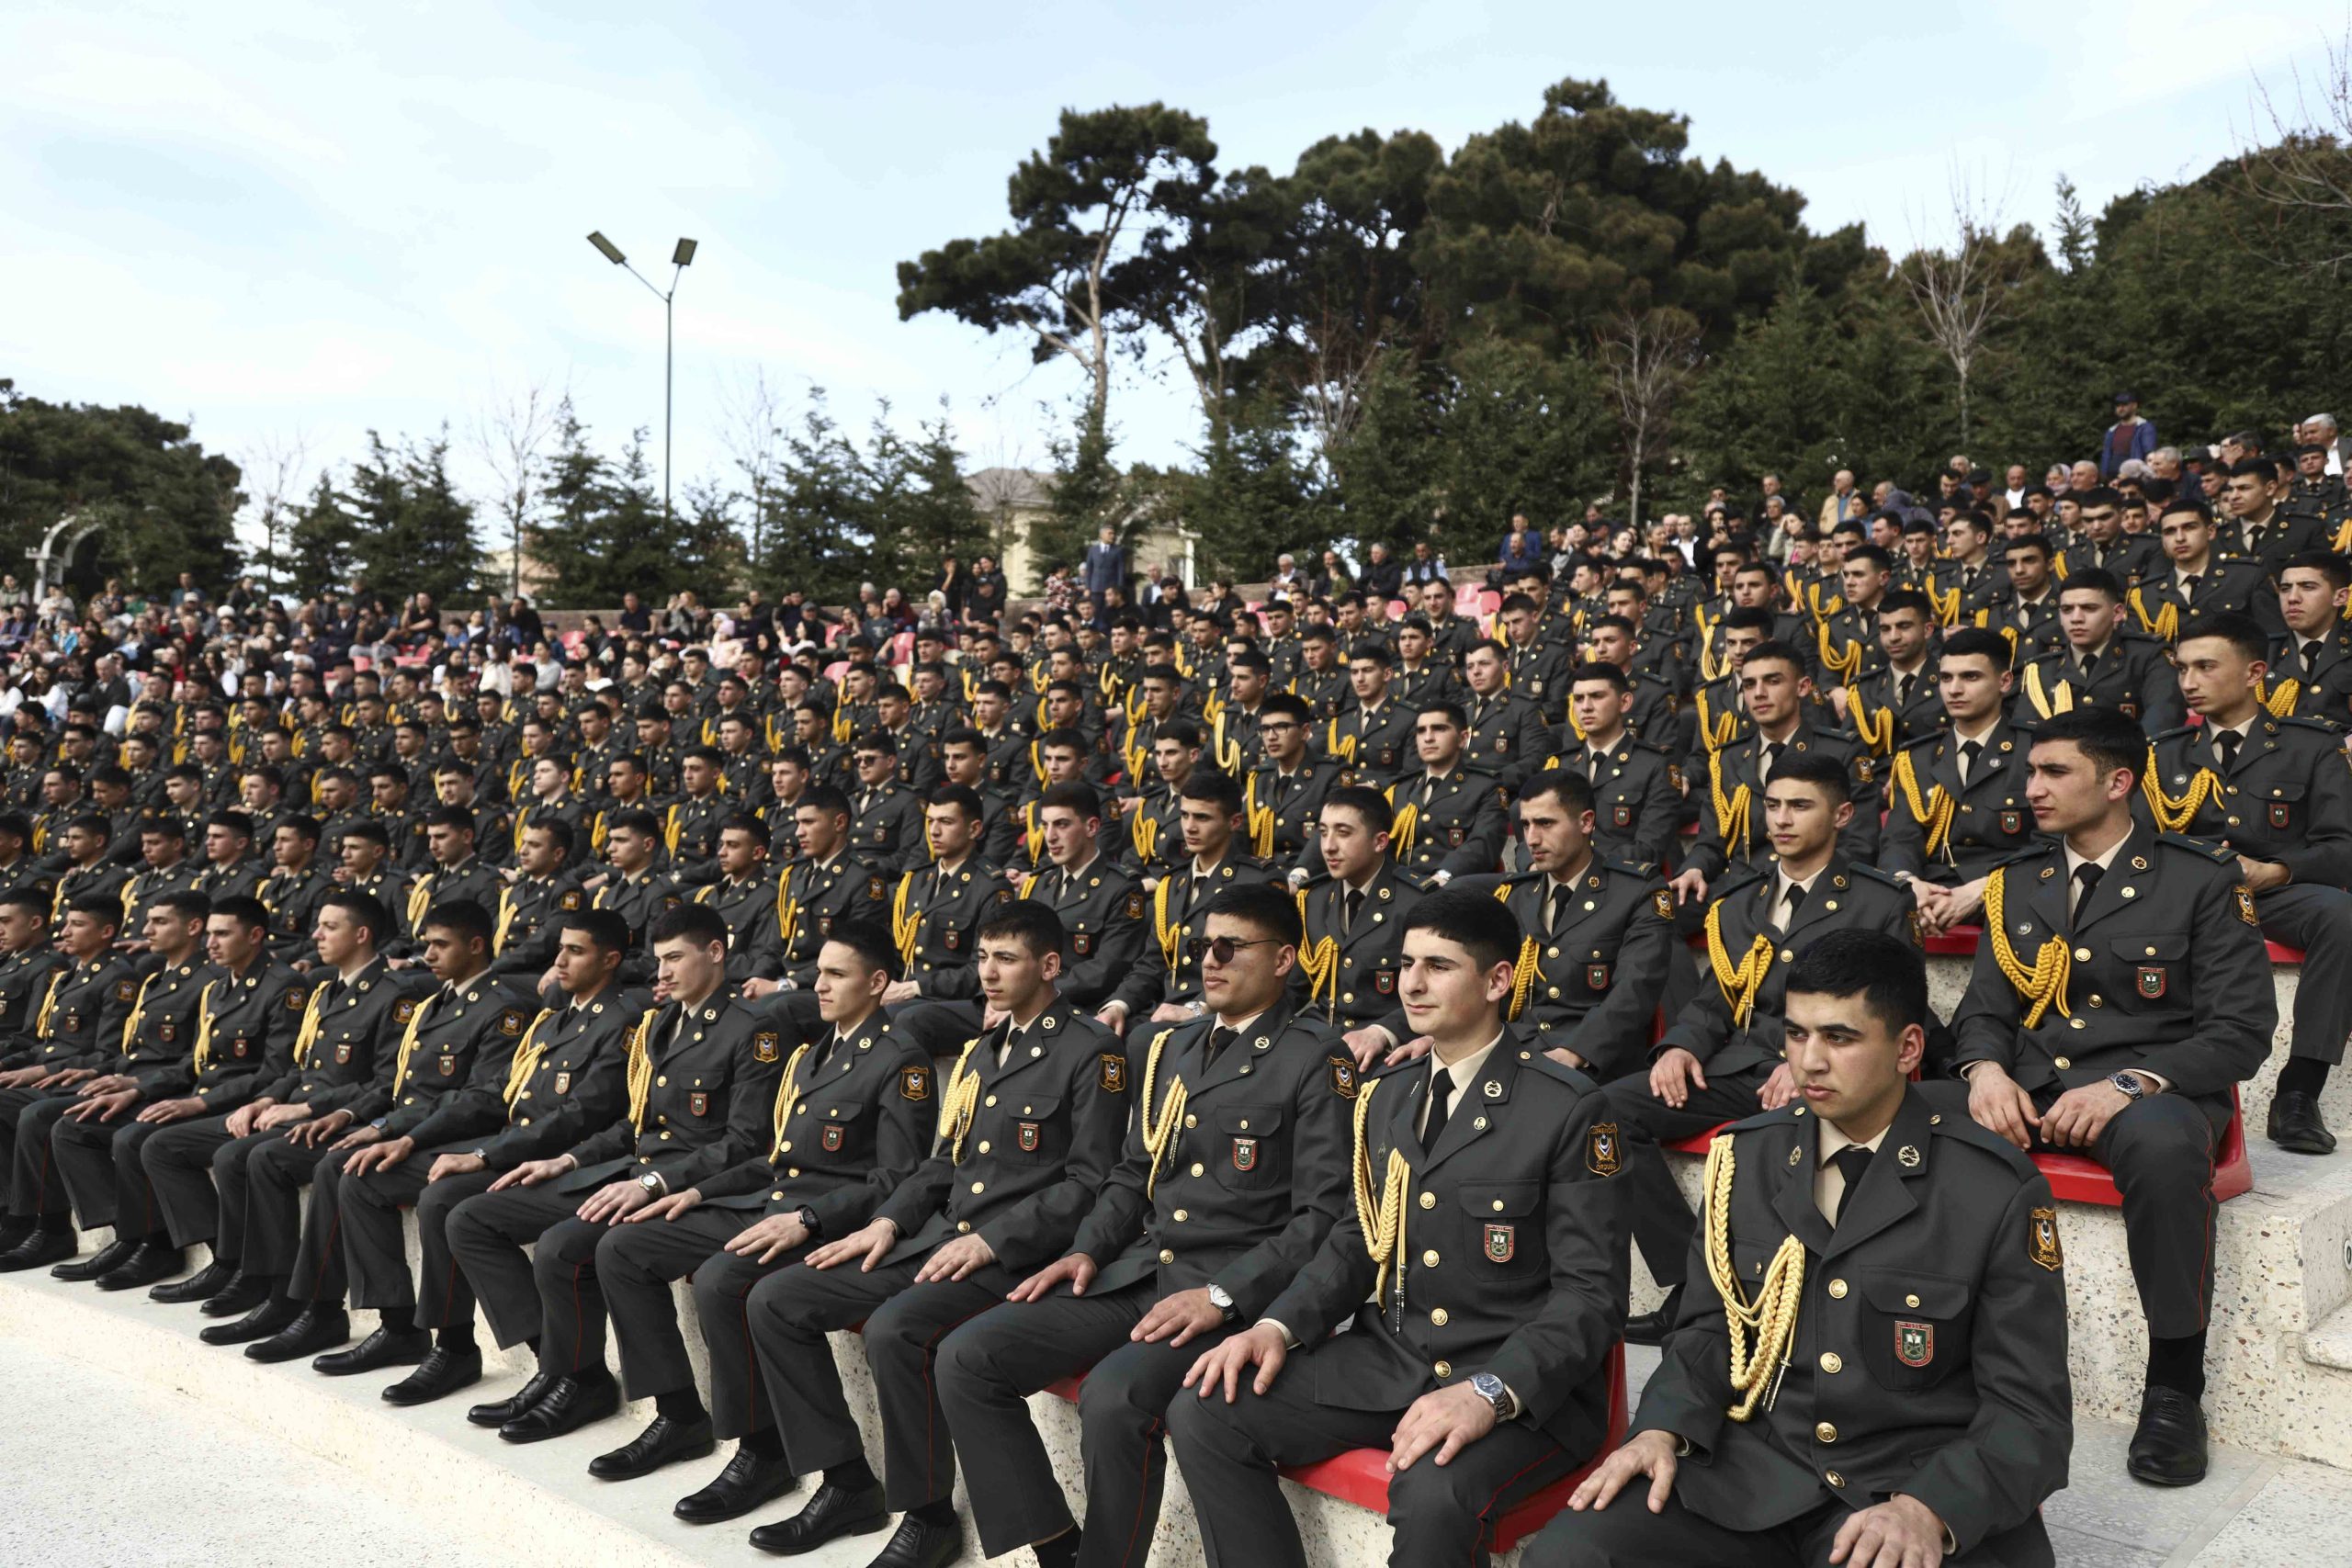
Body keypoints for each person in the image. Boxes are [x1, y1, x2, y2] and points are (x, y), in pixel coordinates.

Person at [1526, 931, 2073, 1568]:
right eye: (1795, 1034)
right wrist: (1660, 1428)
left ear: (1908, 1047)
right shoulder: (1747, 1157)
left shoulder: (1992, 1188)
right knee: (1572, 1553)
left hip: (1901, 1485)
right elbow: (1706, 1331)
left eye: (1839, 1037)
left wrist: (1926, 1508)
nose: (1809, 1061)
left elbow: (2029, 1412)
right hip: (1751, 1476)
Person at [1168, 887, 1628, 1568]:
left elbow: (1591, 1295)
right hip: (1392, 1361)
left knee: (1436, 1488)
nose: (1411, 981)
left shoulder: (1567, 1108)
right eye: (1407, 962)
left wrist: (1492, 1391)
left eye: (1438, 965)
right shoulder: (1388, 1096)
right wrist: (1275, 1325)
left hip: (1516, 1385)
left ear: (1499, 979)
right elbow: (1357, 1239)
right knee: (1205, 1410)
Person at [931, 884, 1353, 1568]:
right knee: (968, 1356)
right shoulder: (1174, 1048)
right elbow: (1133, 1174)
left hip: (1227, 1295)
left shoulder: (1315, 1057)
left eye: (1229, 946)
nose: (1208, 960)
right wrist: (1087, 1250)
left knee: (1115, 1394)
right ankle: (1053, 1545)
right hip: (1140, 1271)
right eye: (1201, 946)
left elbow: (1322, 1217)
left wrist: (1223, 1297)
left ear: (1283, 959)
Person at [735, 900, 1127, 1562]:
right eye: (983, 958)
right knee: (778, 1298)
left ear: (1051, 964)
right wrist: (887, 1220)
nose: (989, 973)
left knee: (897, 1329)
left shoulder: (1092, 1051)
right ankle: (846, 1480)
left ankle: (930, 1514)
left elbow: (1091, 1179)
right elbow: (942, 1163)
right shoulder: (982, 1051)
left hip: (1016, 1254)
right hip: (942, 1237)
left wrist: (993, 1239)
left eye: (1006, 958)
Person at [1950, 705, 2275, 1484]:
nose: (2033, 787)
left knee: (2166, 1150)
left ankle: (2174, 1387)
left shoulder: (2199, 879)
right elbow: (1984, 1011)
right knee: (1897, 1115)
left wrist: (2127, 1084)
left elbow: (2243, 1029)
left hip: (2146, 1089)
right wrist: (1983, 1071)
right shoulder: (2018, 880)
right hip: (2032, 1084)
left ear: (2119, 780)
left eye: (2055, 771)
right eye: (2031, 770)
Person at [588, 919, 932, 1502]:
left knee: (724, 1281)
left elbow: (897, 1180)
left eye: (836, 975)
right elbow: (776, 1158)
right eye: (818, 972)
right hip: (766, 1202)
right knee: (624, 1245)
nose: (818, 986)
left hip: (827, 1219)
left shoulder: (902, 1059)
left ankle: (780, 1457)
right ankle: (678, 1414)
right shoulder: (814, 1054)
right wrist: (699, 1191)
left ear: (877, 983)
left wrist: (808, 1221)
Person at [441, 902, 783, 1443]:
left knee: (568, 1247)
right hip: (630, 1175)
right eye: (657, 960)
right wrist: (569, 1160)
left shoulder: (752, 1030)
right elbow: (634, 1124)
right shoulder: (660, 1025)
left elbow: (745, 1143)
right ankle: (564, 1371)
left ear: (716, 954)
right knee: (472, 1217)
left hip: (689, 1189)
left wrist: (652, 1183)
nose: (662, 972)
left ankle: (670, 1412)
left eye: (675, 958)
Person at [1608, 751, 1919, 1344]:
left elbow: (1892, 1009)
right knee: (1606, 1112)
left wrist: (1800, 1063)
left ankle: (1752, 1306)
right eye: (1772, 805)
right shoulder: (1741, 898)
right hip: (1737, 1069)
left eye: (1800, 806)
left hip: (1827, 1072)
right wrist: (1677, 1047)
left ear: (1843, 814)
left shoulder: (1879, 902)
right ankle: (1687, 1285)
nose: (1780, 819)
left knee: (1773, 1135)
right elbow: (1713, 999)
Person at [327, 908, 642, 1407]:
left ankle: (541, 1361)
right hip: (512, 1147)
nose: (558, 960)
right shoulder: (555, 1019)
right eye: (559, 948)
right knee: (366, 1176)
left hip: (562, 1159)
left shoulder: (624, 1022)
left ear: (611, 959)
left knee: (445, 1202)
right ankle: (420, 1334)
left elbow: (578, 1117)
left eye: (575, 951)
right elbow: (495, 1093)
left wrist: (481, 1153)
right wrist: (408, 1137)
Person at [243, 898, 538, 1367]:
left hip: (461, 1138)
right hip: (416, 1128)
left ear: (477, 946)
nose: (430, 954)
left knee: (350, 1171)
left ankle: (397, 1328)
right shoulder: (434, 1005)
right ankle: (352, 1315)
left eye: (441, 944)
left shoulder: (505, 1009)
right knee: (334, 1164)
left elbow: (482, 1101)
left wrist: (398, 1133)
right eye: (427, 944)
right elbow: (399, 1087)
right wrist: (359, 1117)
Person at [138, 890, 421, 1338]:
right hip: (294, 1110)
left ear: (362, 934)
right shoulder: (328, 991)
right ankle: (239, 1269)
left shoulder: (394, 996)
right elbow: (298, 1068)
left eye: (330, 927)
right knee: (164, 1143)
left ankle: (282, 1295)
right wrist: (266, 1100)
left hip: (344, 1120)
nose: (317, 935)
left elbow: (387, 1084)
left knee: (255, 1158)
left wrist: (307, 1107)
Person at [2153, 615, 2352, 1155]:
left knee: (2342, 916)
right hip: (2187, 898)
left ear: (2254, 672)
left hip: (2275, 892)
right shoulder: (2162, 754)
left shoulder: (2310, 746)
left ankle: (2297, 1095)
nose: (2189, 680)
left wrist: (2278, 871)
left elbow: (2341, 846)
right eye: (2182, 668)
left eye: (2206, 666)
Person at [35, 890, 214, 1286]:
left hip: (174, 1091)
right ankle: (128, 1236)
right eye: (148, 920)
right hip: (137, 1082)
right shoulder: (156, 979)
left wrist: (135, 1084)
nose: (146, 930)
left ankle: (156, 1245)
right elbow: (133, 1050)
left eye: (160, 921)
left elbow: (194, 1062)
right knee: (69, 1126)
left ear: (194, 927)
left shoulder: (209, 981)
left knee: (126, 1138)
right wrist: (104, 1074)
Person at [0, 894, 135, 1269]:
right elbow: (38, 1042)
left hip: (82, 1079)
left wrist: (41, 1071)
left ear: (107, 931)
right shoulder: (71, 975)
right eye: (67, 923)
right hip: (53, 1075)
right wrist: (22, 1064)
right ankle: (11, 1214)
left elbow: (108, 1054)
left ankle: (50, 1228)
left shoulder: (119, 977)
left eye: (77, 924)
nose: (65, 931)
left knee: (36, 1116)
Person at [1882, 627, 2043, 931]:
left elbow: (2051, 843)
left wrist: (1987, 888)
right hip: (1931, 894)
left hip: (2014, 899)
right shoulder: (1918, 757)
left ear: (2005, 682)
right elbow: (1900, 838)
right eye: (1946, 678)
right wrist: (1909, 884)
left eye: (1970, 677)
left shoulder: (2036, 750)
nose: (1954, 689)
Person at [2102, 389, 2159, 479]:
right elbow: (2106, 456)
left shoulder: (2145, 428)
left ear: (2134, 406)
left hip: (2133, 475)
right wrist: (2104, 476)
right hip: (2111, 477)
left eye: (2124, 405)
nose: (2120, 408)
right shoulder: (2111, 430)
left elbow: (2149, 454)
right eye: (2118, 406)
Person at [1083, 525, 1128, 614]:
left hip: (1111, 589)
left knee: (1110, 612)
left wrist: (1119, 589)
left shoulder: (1118, 550)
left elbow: (1120, 570)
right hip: (1095, 588)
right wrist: (1087, 587)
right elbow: (1089, 570)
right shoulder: (1093, 550)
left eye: (1113, 533)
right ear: (1102, 535)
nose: (1113, 536)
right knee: (1096, 612)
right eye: (1110, 533)